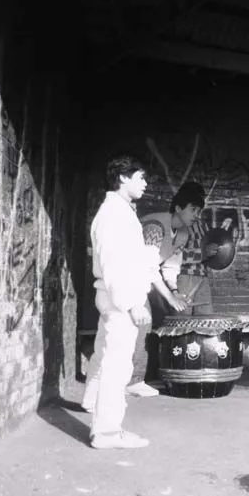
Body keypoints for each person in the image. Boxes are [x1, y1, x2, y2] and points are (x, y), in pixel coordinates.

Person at [81, 154, 187, 449]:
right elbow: (116, 265)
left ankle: (91, 402)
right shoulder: (114, 215)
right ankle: (107, 432)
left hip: (113, 298)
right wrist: (133, 304)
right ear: (123, 178)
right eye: (140, 177)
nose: (145, 183)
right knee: (118, 365)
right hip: (120, 300)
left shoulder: (120, 212)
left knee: (104, 355)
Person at [128, 181, 218, 393]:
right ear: (178, 207)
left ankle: (144, 376)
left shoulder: (183, 233)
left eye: (199, 210)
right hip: (127, 279)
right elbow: (148, 267)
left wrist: (175, 291)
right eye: (193, 209)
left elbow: (170, 266)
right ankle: (132, 381)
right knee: (141, 324)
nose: (196, 215)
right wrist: (169, 297)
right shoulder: (155, 226)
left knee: (152, 323)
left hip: (145, 280)